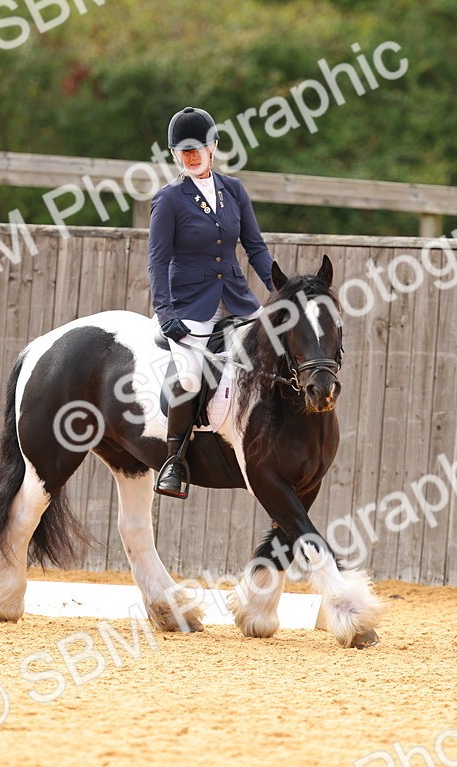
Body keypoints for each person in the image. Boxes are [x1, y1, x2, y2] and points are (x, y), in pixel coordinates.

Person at [147, 106, 275, 499]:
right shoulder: (169, 200)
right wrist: (165, 312)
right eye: (183, 151)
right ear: (174, 155)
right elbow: (157, 260)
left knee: (276, 351)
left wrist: (280, 290)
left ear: (213, 147)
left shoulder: (233, 190)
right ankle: (174, 461)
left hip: (236, 298)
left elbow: (255, 247)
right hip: (189, 305)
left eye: (197, 148)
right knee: (189, 377)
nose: (191, 156)